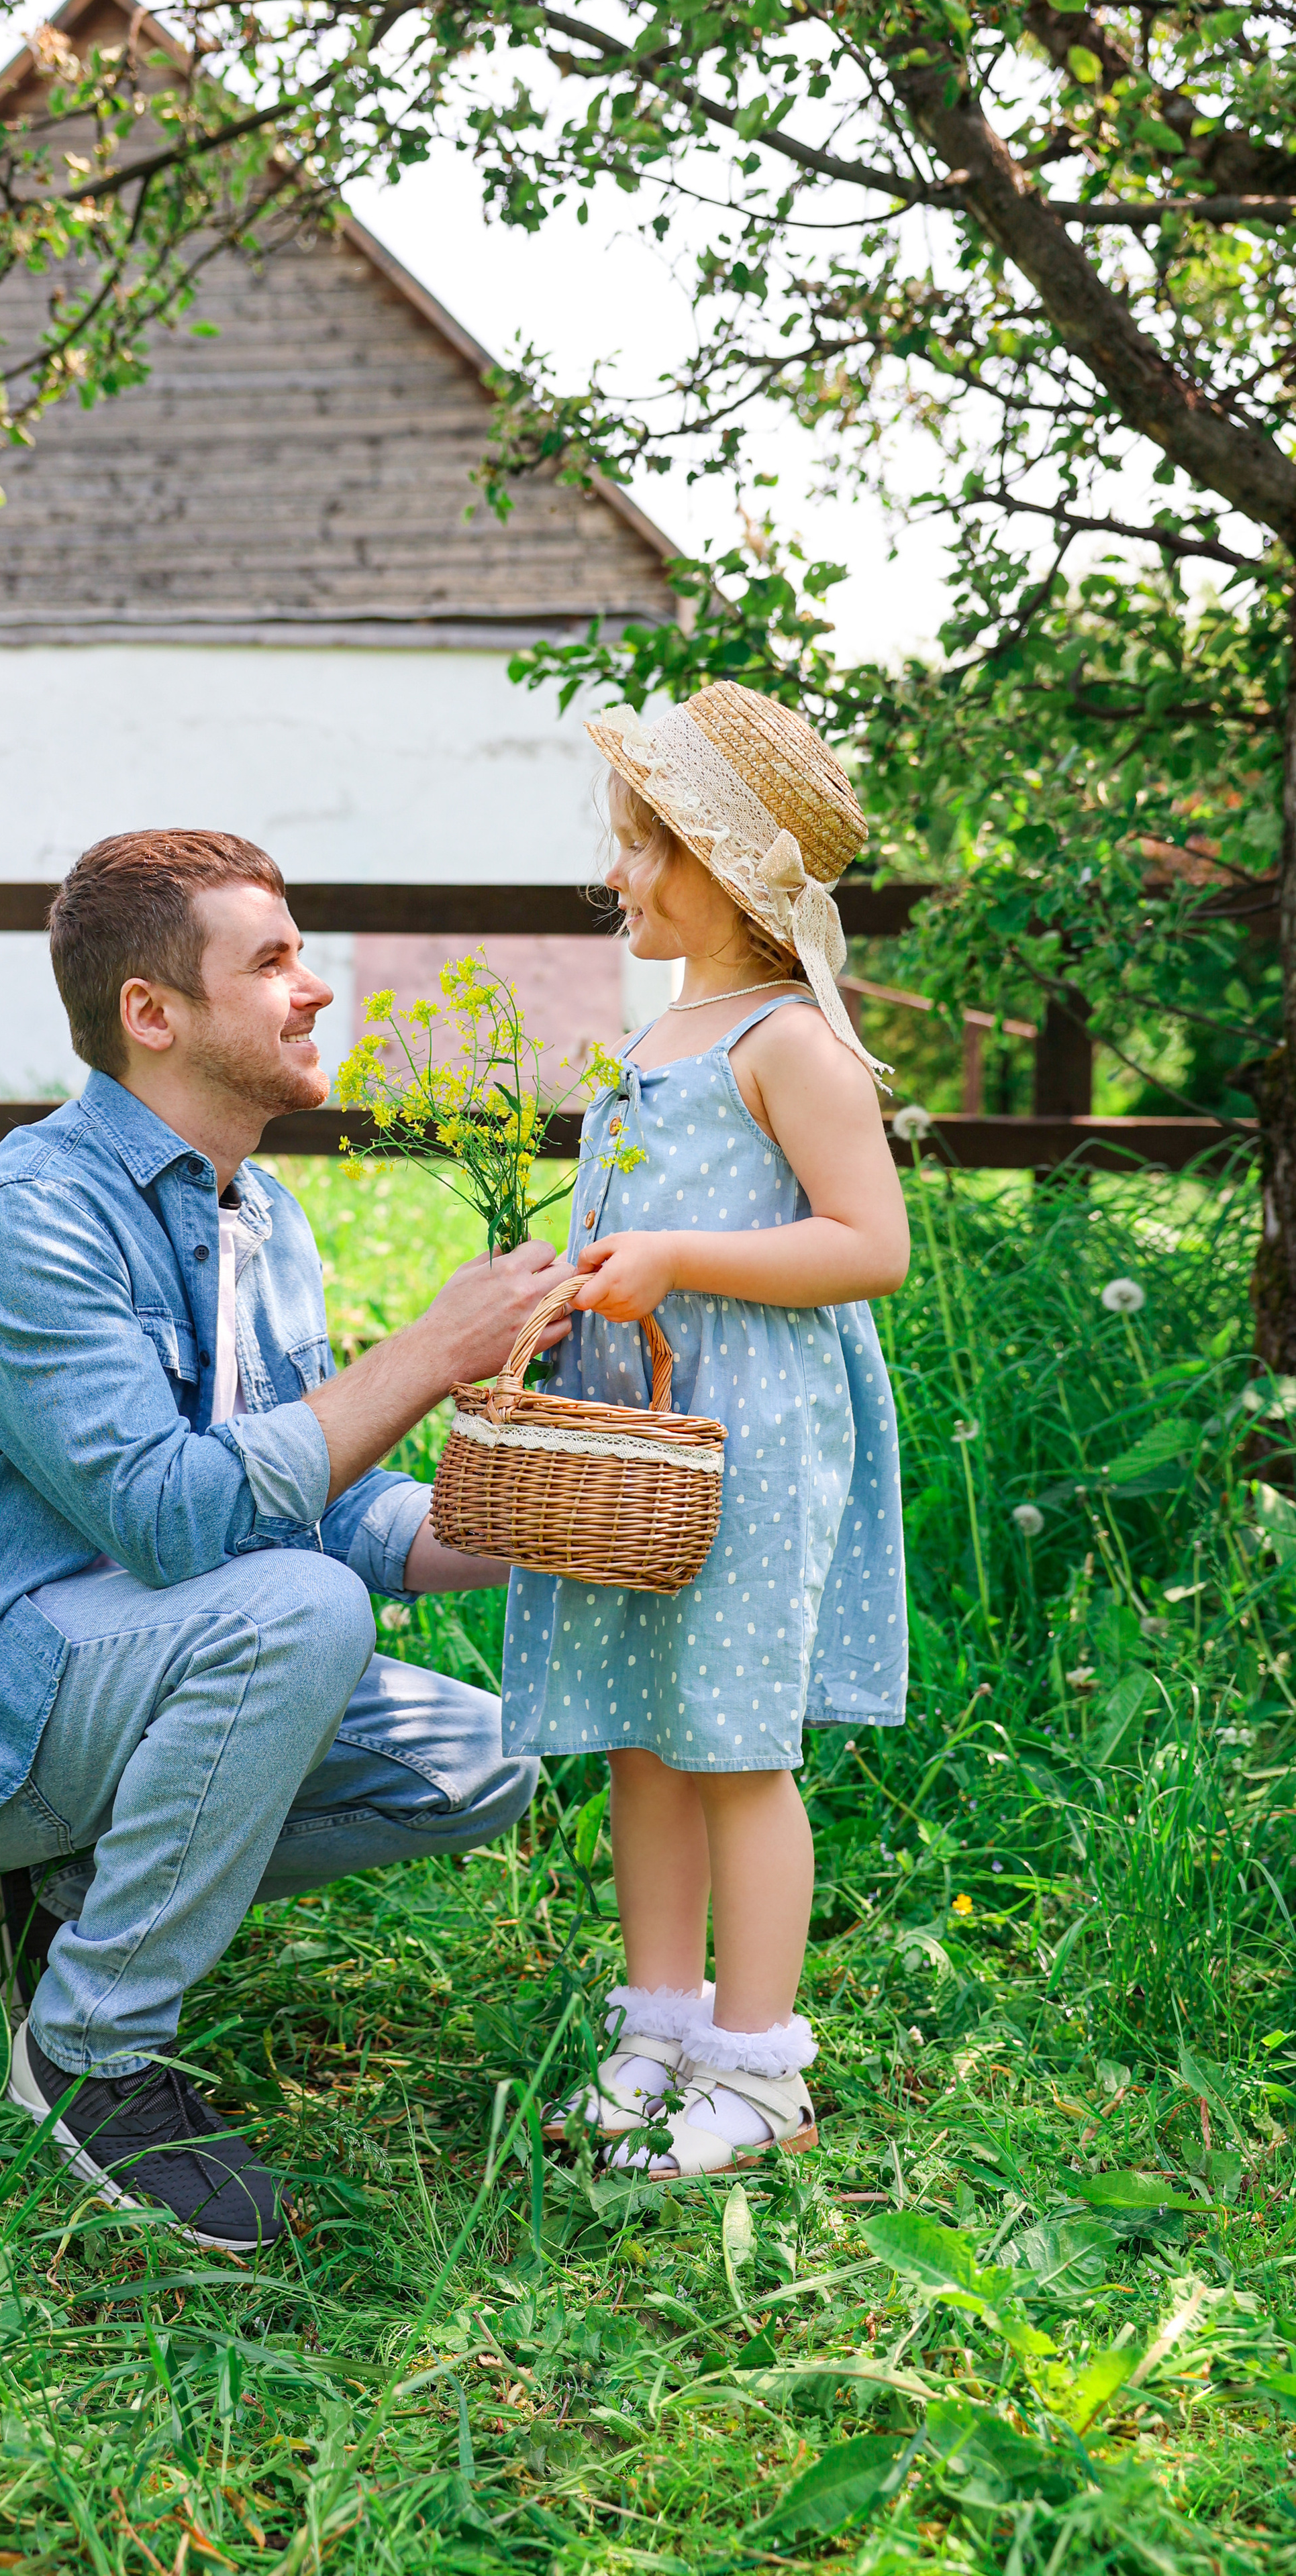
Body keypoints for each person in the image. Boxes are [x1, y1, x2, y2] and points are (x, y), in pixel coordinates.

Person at [0, 828, 570, 2250]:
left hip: (124, 1678)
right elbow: (169, 1517)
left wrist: (547, 1530)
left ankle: (57, 1898)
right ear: (151, 1015)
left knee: (484, 1758)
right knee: (292, 1611)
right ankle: (89, 2055)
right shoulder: (33, 1215)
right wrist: (421, 1358)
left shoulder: (262, 1220)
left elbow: (321, 1506)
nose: (314, 989)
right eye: (269, 960)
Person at [505, 682, 910, 2178]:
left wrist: (677, 1261)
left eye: (638, 849)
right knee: (640, 1738)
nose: (616, 877)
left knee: (733, 1744)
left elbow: (869, 1245)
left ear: (723, 869)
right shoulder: (666, 1024)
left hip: (744, 1427)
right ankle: (658, 2025)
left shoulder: (785, 1039)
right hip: (639, 1424)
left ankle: (757, 2069)